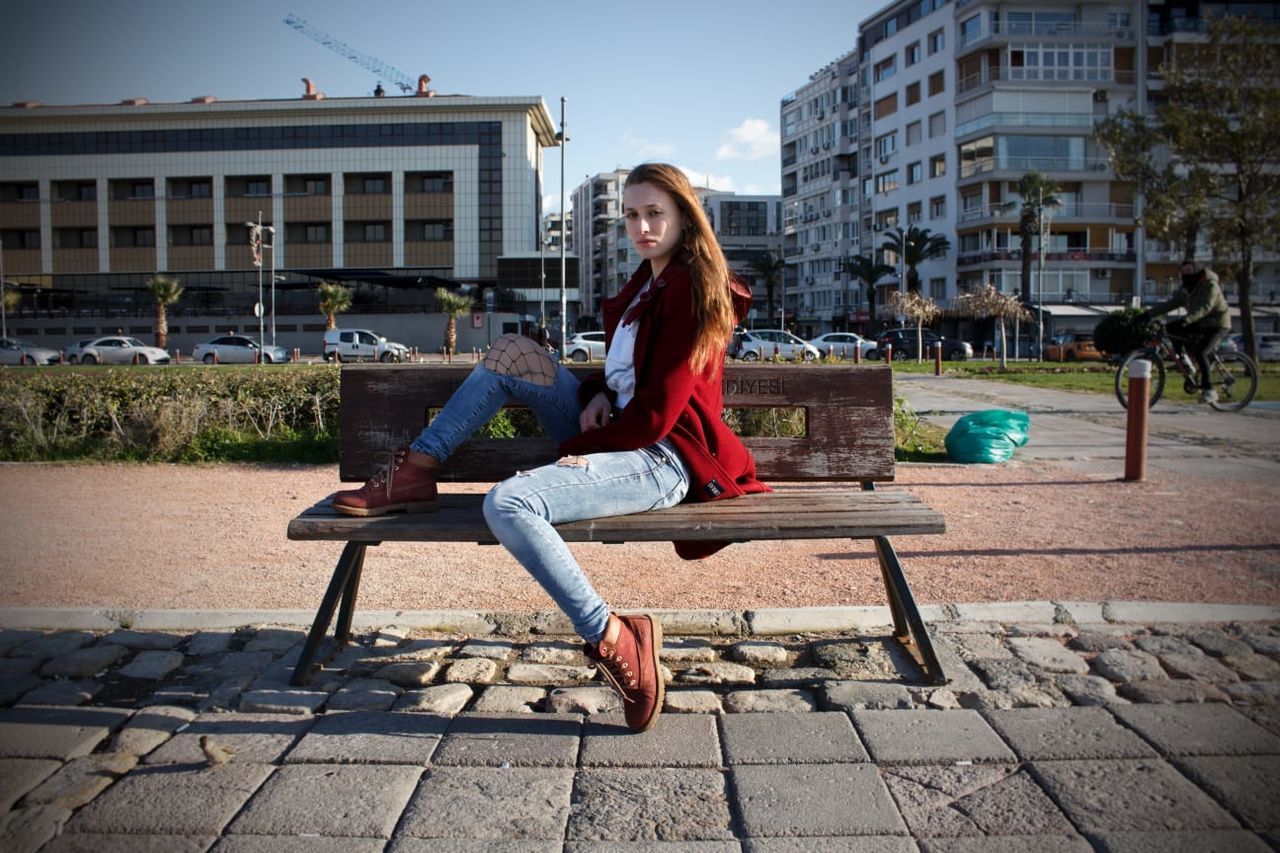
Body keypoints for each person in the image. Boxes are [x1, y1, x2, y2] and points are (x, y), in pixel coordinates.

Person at [327, 163, 769, 732]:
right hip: (624, 434)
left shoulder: (691, 289)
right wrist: (597, 393)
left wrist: (580, 447)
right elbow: (631, 377)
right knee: (513, 351)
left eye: (655, 212)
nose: (642, 226)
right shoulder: (647, 283)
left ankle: (614, 636)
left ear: (685, 215)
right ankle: (416, 469)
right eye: (632, 214)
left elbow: (659, 413)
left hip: (663, 457)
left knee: (508, 504)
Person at [1144, 262, 1231, 403]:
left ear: (1197, 271)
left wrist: (1186, 320)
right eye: (1183, 271)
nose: (1186, 274)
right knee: (1171, 328)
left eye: (1189, 270)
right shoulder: (1187, 290)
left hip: (1217, 324)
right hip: (1199, 323)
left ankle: (1209, 390)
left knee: (1201, 352)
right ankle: (1186, 362)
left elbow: (1204, 308)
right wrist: (1147, 315)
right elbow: (1169, 305)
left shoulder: (1210, 286)